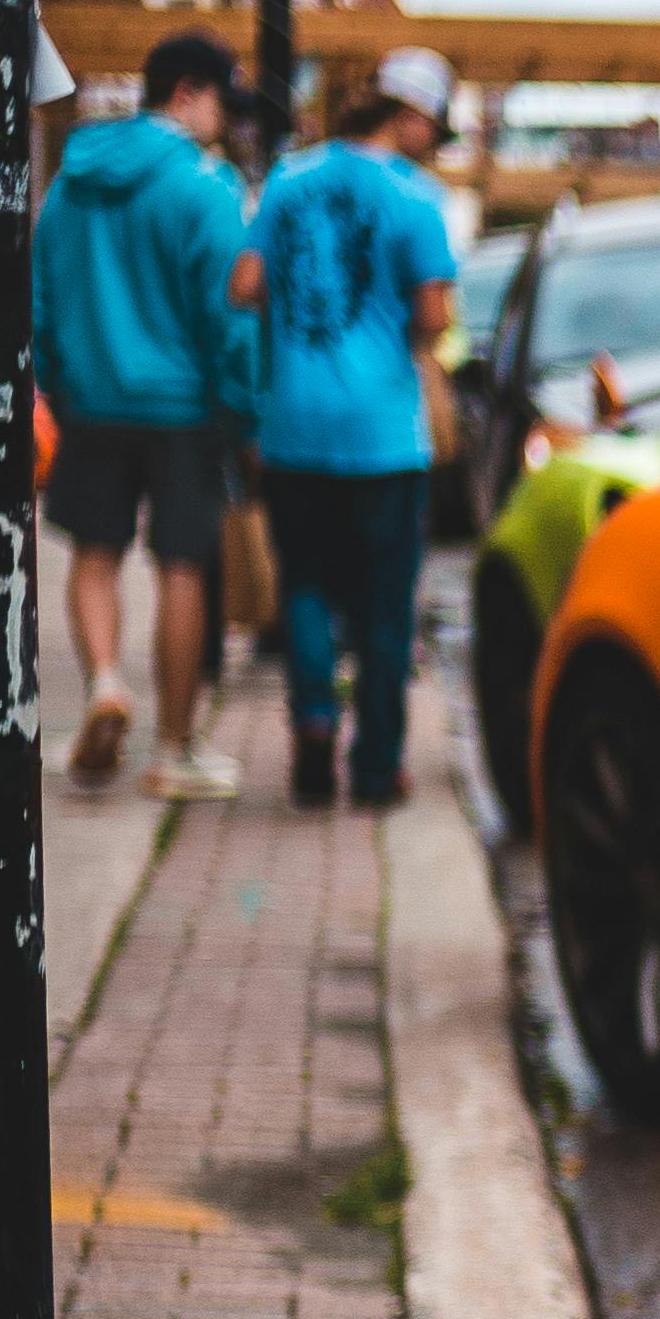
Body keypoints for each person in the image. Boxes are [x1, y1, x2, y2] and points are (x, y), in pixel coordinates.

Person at [231, 45, 459, 813]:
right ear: (411, 116)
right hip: (385, 435)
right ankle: (375, 769)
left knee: (305, 585)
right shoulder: (417, 196)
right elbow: (432, 318)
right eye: (434, 123)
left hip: (294, 422)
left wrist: (301, 324)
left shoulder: (289, 179)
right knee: (385, 607)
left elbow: (245, 285)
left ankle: (316, 722)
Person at [30, 23, 252, 805]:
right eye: (224, 103)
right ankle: (176, 749)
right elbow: (229, 315)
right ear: (188, 94)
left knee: (96, 556)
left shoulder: (69, 182)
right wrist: (241, 403)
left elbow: (41, 299)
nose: (227, 122)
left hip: (91, 402)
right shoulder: (206, 185)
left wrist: (57, 383)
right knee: (182, 567)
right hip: (184, 410)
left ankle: (104, 684)